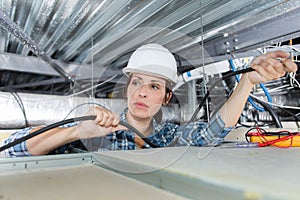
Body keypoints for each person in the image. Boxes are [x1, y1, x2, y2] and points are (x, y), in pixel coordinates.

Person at [2, 43, 297, 157]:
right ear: (128, 88)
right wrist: (76, 132)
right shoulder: (97, 132)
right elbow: (12, 152)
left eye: (154, 86)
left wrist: (246, 82)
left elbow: (213, 132)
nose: (142, 92)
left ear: (166, 96)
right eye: (137, 82)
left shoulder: (170, 136)